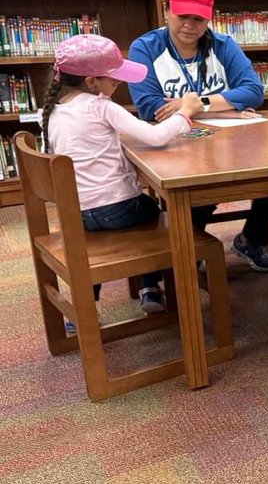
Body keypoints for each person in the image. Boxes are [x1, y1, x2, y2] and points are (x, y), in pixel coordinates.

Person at [128, 0, 268, 271]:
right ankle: (189, 248)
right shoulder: (145, 48)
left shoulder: (223, 45)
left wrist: (197, 105)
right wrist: (227, 109)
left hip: (229, 143)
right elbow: (149, 106)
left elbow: (254, 91)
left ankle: (252, 238)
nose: (190, 24)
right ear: (166, 11)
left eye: (199, 18)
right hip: (175, 146)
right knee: (198, 193)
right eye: (182, 15)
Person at [42, 34, 203, 316]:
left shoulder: (52, 111)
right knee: (158, 211)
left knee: (130, 216)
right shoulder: (101, 106)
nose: (119, 85)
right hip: (118, 211)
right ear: (92, 82)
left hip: (77, 217)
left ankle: (86, 305)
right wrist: (186, 111)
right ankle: (150, 285)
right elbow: (155, 136)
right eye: (114, 80)